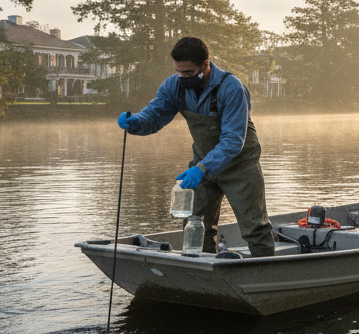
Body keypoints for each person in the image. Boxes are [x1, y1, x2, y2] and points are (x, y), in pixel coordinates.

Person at [117, 36, 274, 256]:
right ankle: (205, 276)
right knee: (194, 224)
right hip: (201, 167)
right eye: (178, 71)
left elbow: (232, 141)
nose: (182, 77)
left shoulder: (232, 89)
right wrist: (136, 122)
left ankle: (265, 276)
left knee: (254, 227)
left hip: (240, 167)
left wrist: (202, 168)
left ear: (206, 64)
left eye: (188, 72)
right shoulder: (173, 85)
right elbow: (155, 115)